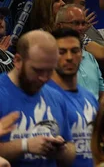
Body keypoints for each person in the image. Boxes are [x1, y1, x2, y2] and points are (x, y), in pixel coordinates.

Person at [0, 30, 76, 166]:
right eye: (38, 70)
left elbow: (70, 151)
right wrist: (25, 145)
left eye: (50, 70)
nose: (44, 78)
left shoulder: (56, 96)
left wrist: (61, 150)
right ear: (18, 61)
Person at [48, 28, 98, 167]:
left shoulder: (90, 98)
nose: (69, 57)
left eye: (75, 51)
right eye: (62, 52)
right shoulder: (43, 98)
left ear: (81, 54)